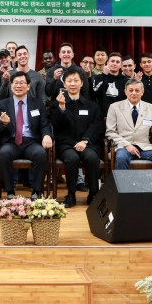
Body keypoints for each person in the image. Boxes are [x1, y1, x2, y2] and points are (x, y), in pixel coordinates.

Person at [0, 71, 53, 200]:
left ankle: (36, 191)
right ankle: (9, 191)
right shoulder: (2, 104)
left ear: (28, 86)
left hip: (31, 142)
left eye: (22, 83)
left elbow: (44, 124)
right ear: (11, 86)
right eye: (15, 83)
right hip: (11, 141)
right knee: (3, 154)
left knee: (41, 154)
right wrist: (3, 124)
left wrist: (47, 135)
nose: (18, 86)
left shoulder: (37, 104)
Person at [50, 70, 103, 207]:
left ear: (82, 83)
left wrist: (85, 140)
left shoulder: (91, 105)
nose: (72, 84)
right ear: (64, 84)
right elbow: (56, 125)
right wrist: (62, 108)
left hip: (87, 143)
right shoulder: (56, 104)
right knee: (72, 158)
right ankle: (71, 195)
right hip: (66, 144)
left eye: (76, 81)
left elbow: (96, 125)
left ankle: (93, 194)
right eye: (69, 81)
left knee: (92, 158)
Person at [91, 52, 127, 116]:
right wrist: (104, 76)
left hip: (119, 116)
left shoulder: (125, 80)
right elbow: (95, 92)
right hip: (102, 116)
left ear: (121, 65)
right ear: (107, 63)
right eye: (112, 61)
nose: (114, 64)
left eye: (117, 62)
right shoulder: (99, 77)